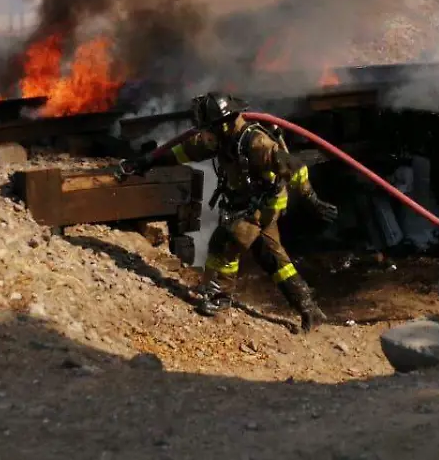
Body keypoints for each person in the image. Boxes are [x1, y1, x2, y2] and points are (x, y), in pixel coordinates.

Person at [118, 92, 339, 332]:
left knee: (224, 245)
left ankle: (219, 297)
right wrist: (147, 162)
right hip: (247, 202)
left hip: (262, 206)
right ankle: (309, 308)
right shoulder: (220, 138)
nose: (205, 134)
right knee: (272, 257)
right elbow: (183, 151)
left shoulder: (256, 143)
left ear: (223, 123)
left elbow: (293, 168)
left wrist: (312, 200)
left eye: (208, 129)